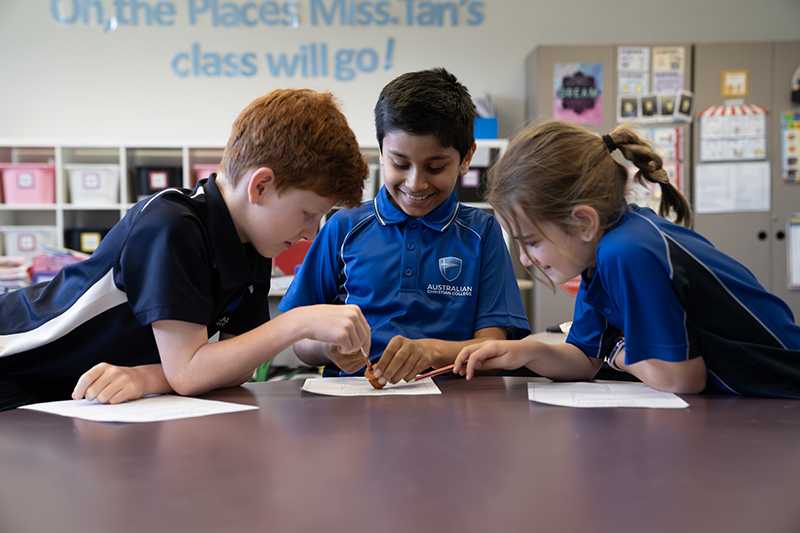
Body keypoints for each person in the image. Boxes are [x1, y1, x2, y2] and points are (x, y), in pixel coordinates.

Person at [0, 89, 372, 410]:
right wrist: (298, 321)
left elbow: (236, 364)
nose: (310, 232)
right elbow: (189, 372)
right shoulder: (171, 224)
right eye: (307, 214)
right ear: (260, 187)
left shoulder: (253, 241)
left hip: (73, 399)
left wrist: (150, 377)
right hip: (15, 371)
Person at [454, 120, 800, 398]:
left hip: (783, 394)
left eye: (531, 242)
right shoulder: (599, 257)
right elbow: (584, 358)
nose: (526, 260)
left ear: (584, 222)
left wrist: (615, 350)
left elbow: (681, 378)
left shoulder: (626, 251)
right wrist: (526, 352)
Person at [279, 68, 530, 387]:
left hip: (453, 406)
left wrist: (433, 352)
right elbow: (300, 340)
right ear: (381, 152)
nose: (416, 183)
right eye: (399, 164)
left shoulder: (482, 233)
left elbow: (494, 350)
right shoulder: (343, 227)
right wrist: (328, 348)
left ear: (466, 158)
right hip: (352, 406)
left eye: (435, 167)